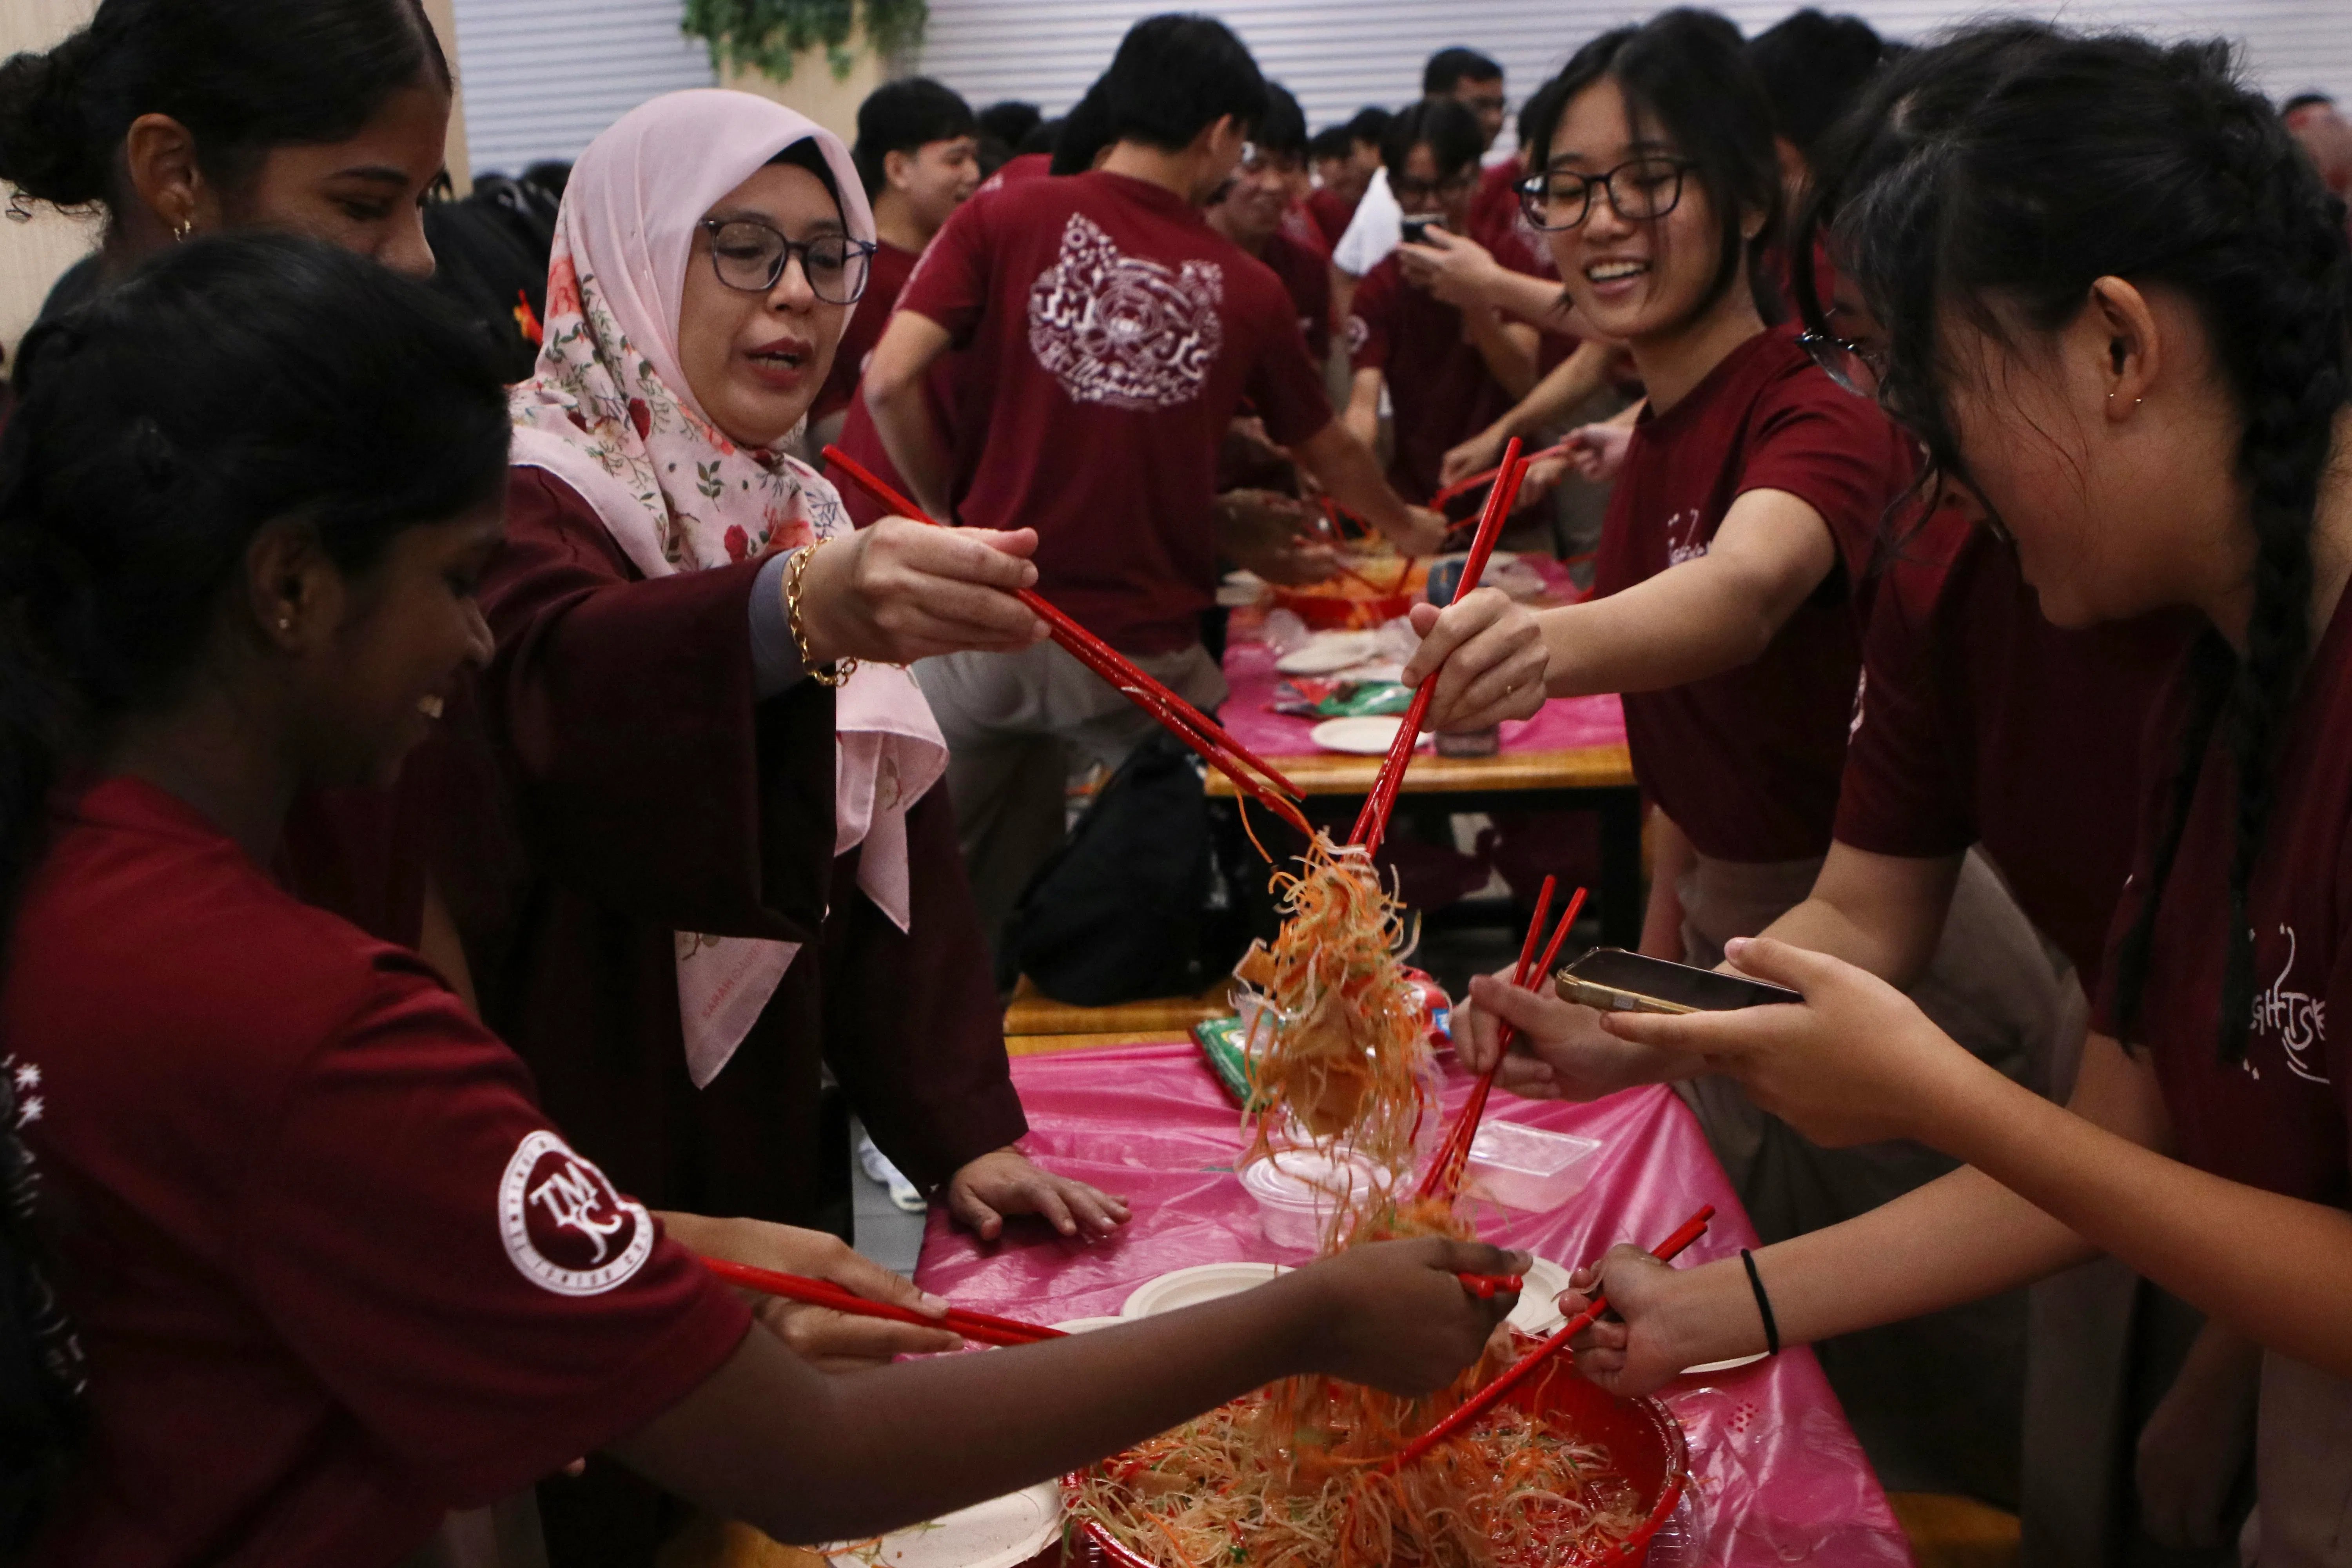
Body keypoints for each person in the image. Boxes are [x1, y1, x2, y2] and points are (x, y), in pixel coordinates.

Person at [0, 230, 1528, 1565]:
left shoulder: (69, 883)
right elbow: (810, 1462)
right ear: (287, 587)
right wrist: (1310, 1321)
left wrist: (664, 1237)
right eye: (460, 580)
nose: (477, 645)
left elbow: (288, 1219)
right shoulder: (309, 1021)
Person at [1494, 26, 2352, 1566]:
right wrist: (1711, 1307)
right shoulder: (2222, 675)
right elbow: (2123, 1138)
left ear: (2115, 345)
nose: (1921, 440)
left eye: (1935, 375)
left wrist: (1937, 1092)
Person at [420, 88, 1139, 1557]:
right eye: (739, 249)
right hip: (561, 1105)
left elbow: (881, 840)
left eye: (830, 257)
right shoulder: (514, 496)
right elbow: (562, 694)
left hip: (747, 1128)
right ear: (626, 259)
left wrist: (961, 1132)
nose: (798, 295)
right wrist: (791, 615)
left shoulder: (792, 507)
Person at [865, 14, 1444, 940]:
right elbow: (1328, 448)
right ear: (1220, 135)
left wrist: (948, 518)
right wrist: (1406, 526)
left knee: (935, 897)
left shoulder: (1002, 215)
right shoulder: (1240, 283)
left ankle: (946, 1058)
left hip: (981, 628)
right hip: (1135, 659)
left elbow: (887, 379)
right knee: (1214, 868)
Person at [1343, 97, 1538, 503]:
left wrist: (1475, 301)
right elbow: (1363, 403)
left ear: (1477, 180)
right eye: (1415, 189)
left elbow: (1524, 381)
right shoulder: (1381, 286)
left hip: (1509, 501)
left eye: (1449, 185)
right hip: (1421, 501)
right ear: (1394, 190)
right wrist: (1348, 468)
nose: (1432, 205)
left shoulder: (1509, 262)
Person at [809, 76, 980, 443]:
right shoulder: (849, 274)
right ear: (899, 169)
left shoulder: (962, 263)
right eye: (956, 159)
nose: (974, 175)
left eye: (973, 158)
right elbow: (831, 420)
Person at [1205, 82, 1330, 359]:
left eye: (1287, 165)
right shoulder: (1180, 264)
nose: (1273, 185)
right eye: (1253, 164)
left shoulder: (1307, 271)